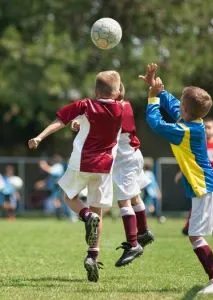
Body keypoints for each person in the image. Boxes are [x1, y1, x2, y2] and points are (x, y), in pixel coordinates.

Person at [139, 63, 213, 294]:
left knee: (195, 236)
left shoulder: (184, 131)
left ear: (186, 108)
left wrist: (153, 99)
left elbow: (155, 124)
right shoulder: (193, 122)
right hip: (212, 186)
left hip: (203, 189)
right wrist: (159, 90)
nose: (178, 103)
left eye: (181, 100)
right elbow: (175, 106)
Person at [28, 70, 123, 283]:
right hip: (105, 166)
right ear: (117, 92)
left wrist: (39, 136)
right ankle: (92, 255)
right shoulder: (121, 108)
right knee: (99, 210)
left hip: (81, 162)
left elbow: (60, 120)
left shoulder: (85, 105)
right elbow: (112, 102)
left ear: (95, 90)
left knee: (69, 198)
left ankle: (85, 215)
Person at [71, 82, 154, 267]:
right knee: (134, 197)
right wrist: (81, 121)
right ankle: (144, 232)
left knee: (123, 201)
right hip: (133, 155)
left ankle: (133, 244)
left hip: (125, 160)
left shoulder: (115, 109)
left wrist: (82, 122)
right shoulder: (126, 105)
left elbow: (99, 124)